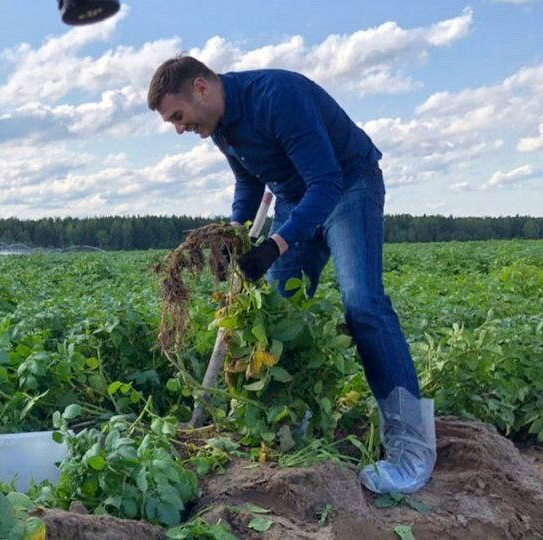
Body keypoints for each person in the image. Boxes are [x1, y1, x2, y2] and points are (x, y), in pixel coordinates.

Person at [147, 55, 436, 494]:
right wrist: (235, 237)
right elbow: (249, 186)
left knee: (363, 304)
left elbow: (326, 183)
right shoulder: (220, 127)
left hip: (347, 186)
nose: (179, 128)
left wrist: (277, 245)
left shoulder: (278, 97)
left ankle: (411, 449)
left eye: (178, 116)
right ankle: (293, 427)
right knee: (280, 315)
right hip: (295, 199)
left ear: (201, 88)